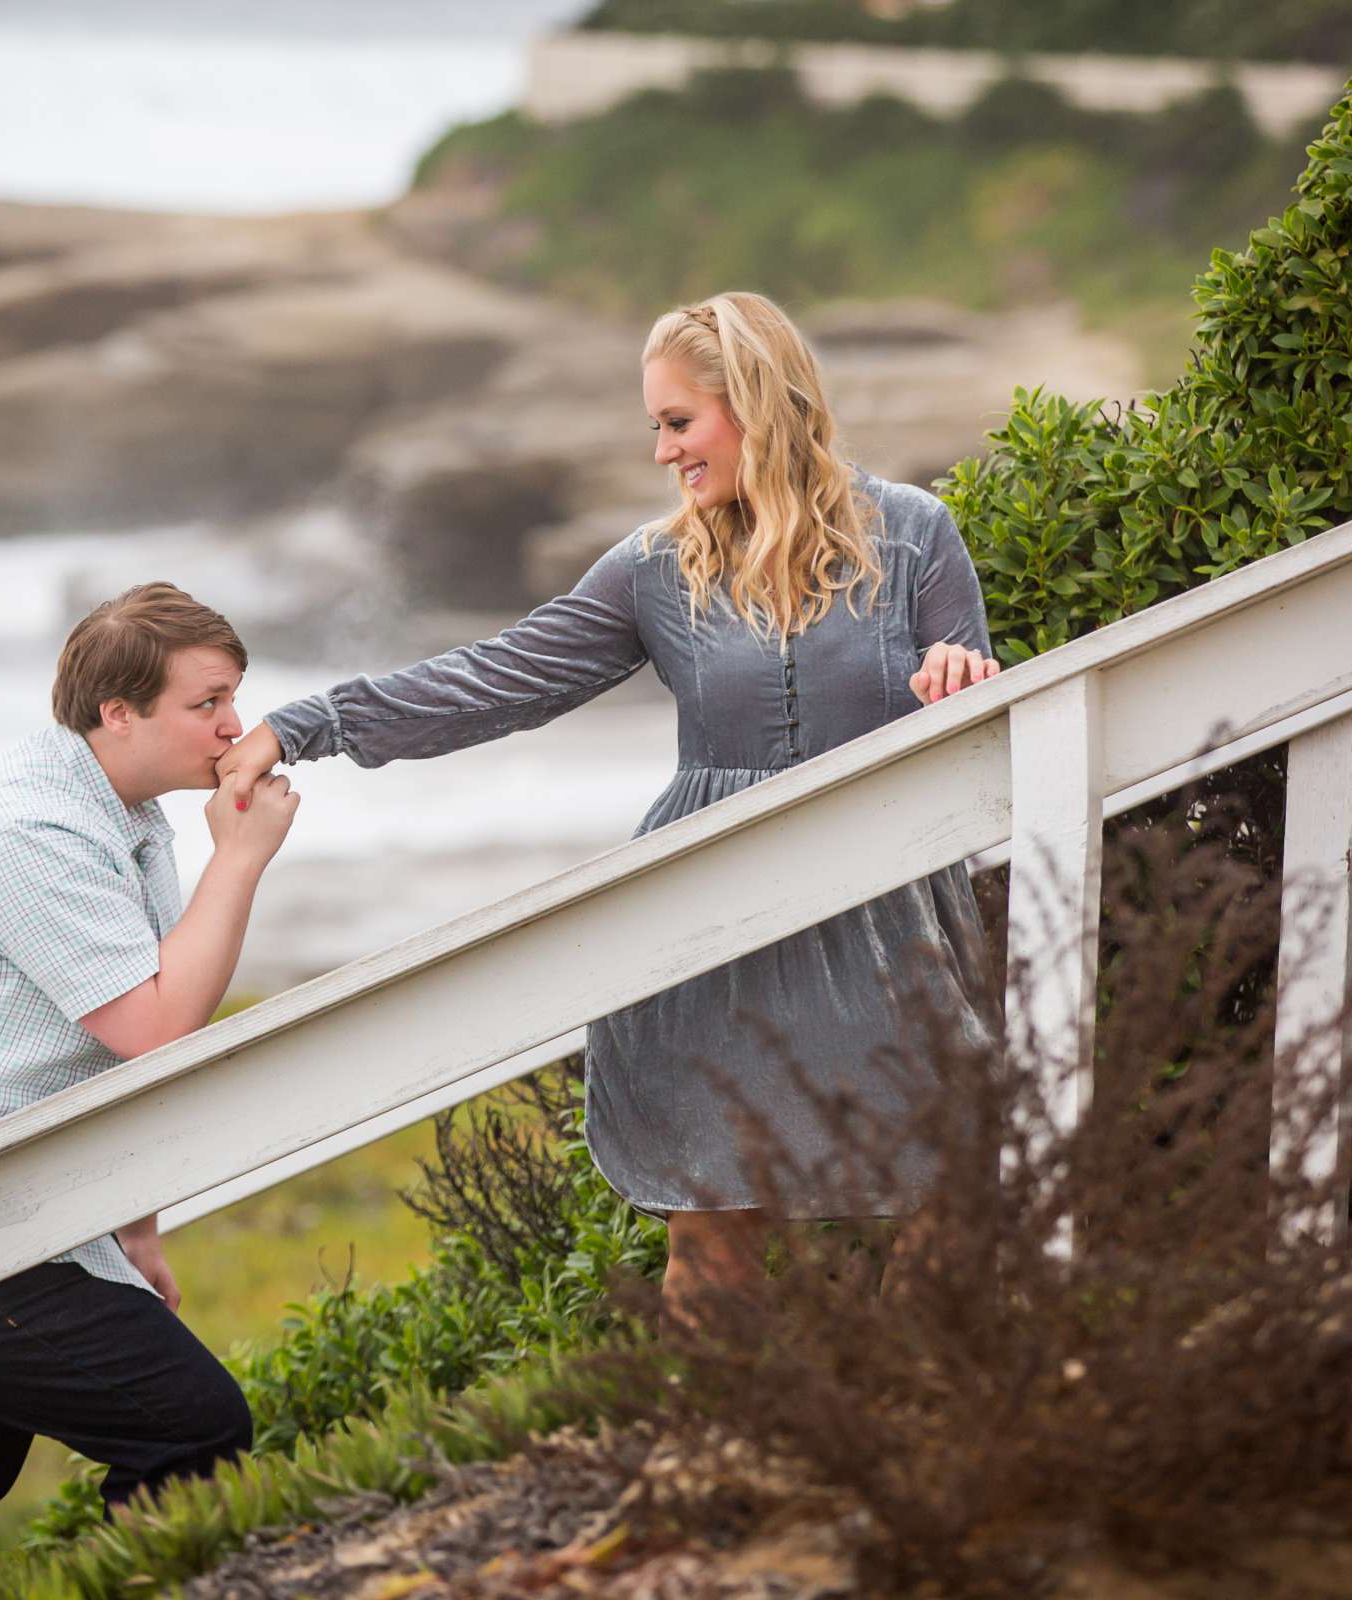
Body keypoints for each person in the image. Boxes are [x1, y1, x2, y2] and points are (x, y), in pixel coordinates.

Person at [216, 292, 1001, 1318]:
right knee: (715, 1249)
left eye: (680, 422)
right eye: (656, 428)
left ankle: (905, 1442)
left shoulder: (914, 535)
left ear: (758, 404)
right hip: (713, 928)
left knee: (963, 1189)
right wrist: (308, 722)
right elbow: (496, 679)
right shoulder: (654, 571)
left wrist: (964, 675)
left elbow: (986, 704)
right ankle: (707, 1468)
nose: (665, 452)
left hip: (888, 923)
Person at [0, 582, 298, 1600]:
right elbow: (155, 1026)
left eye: (235, 697)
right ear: (116, 713)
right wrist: (243, 858)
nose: (235, 726)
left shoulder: (115, 803)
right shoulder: (32, 830)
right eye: (207, 702)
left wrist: (135, 1224)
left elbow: (116, 1050)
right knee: (197, 1428)